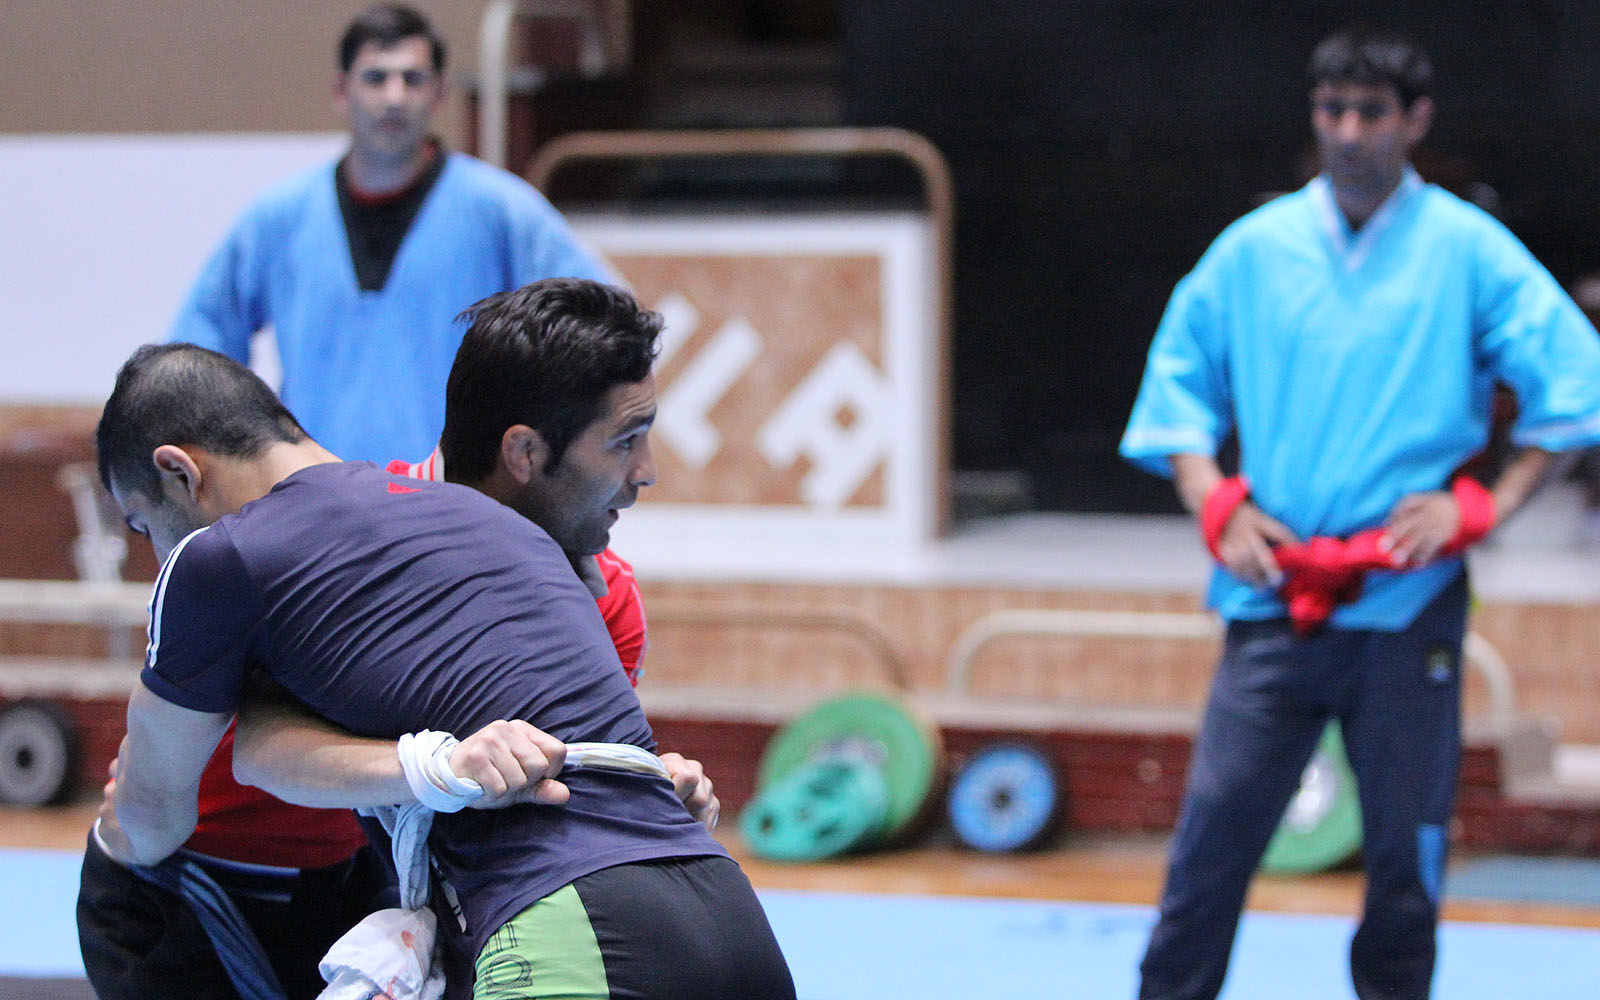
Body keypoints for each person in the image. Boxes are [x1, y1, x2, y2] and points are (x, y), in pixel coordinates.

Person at [1119, 26, 1600, 1000]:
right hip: (1274, 597)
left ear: (1414, 121)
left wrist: (1486, 504)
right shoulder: (1253, 251)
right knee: (1207, 850)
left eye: (1370, 113)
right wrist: (1214, 499)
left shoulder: (1468, 250)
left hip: (1405, 605)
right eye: (1331, 110)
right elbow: (1176, 392)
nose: (1346, 132)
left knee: (1405, 865)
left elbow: (1574, 384)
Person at [91, 339, 795, 1000]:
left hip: (563, 919)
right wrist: (433, 766)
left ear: (179, 473)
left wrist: (114, 834)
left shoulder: (220, 559)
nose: (156, 554)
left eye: (144, 526)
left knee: (121, 882)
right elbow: (266, 747)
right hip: (728, 911)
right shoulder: (487, 521)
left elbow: (152, 817)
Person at [169, 2, 606, 464]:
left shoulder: (501, 211)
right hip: (313, 488)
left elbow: (597, 325)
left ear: (439, 93)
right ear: (341, 90)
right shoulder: (278, 219)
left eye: (413, 79)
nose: (394, 97)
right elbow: (198, 352)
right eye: (376, 78)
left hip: (453, 489)